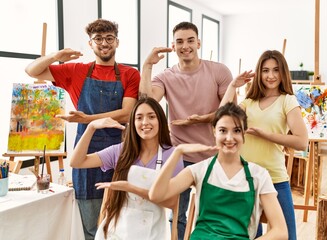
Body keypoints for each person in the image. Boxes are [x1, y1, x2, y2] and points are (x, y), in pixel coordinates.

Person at [25, 19, 140, 239]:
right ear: (90, 44)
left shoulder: (129, 74)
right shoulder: (76, 71)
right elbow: (32, 71)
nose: (104, 43)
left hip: (122, 151)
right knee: (91, 224)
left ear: (117, 42)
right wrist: (55, 57)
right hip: (86, 151)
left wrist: (88, 118)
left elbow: (127, 113)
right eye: (98, 39)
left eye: (109, 38)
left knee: (123, 220)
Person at [140, 21, 246, 239]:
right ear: (173, 45)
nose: (185, 46)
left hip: (214, 155)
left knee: (213, 213)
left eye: (190, 40)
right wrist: (147, 66)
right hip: (180, 155)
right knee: (177, 214)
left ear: (198, 42)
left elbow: (229, 111)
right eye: (179, 41)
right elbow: (147, 102)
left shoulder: (219, 71)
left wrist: (203, 119)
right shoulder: (166, 76)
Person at [149, 102, 288, 240]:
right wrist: (177, 153)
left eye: (237, 130)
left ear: (244, 133)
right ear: (214, 131)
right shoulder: (200, 170)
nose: (229, 138)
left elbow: (280, 231)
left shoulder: (259, 175)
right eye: (223, 130)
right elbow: (156, 195)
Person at [220, 50, 309, 239]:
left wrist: (266, 135)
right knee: (251, 234)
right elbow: (222, 117)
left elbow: (302, 141)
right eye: (265, 70)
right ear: (259, 73)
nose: (270, 76)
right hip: (245, 179)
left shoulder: (287, 100)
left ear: (283, 72)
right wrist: (232, 86)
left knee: (287, 235)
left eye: (276, 70)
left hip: (275, 178)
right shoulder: (249, 102)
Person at [70, 97, 184, 239]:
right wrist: (91, 127)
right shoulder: (121, 151)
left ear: (160, 120)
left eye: (151, 117)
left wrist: (131, 188)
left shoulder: (172, 155)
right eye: (139, 118)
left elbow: (172, 203)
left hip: (152, 230)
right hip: (118, 228)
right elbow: (77, 162)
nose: (145, 122)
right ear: (133, 123)